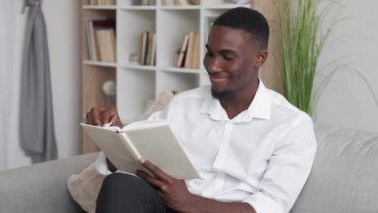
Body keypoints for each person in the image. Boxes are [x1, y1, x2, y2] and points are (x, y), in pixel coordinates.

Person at [86, 7, 317, 213]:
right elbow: (133, 164)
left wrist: (190, 203)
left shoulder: (291, 124)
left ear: (259, 58)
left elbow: (272, 205)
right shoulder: (181, 105)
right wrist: (114, 136)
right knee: (120, 184)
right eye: (210, 53)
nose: (212, 66)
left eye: (227, 57)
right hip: (167, 207)